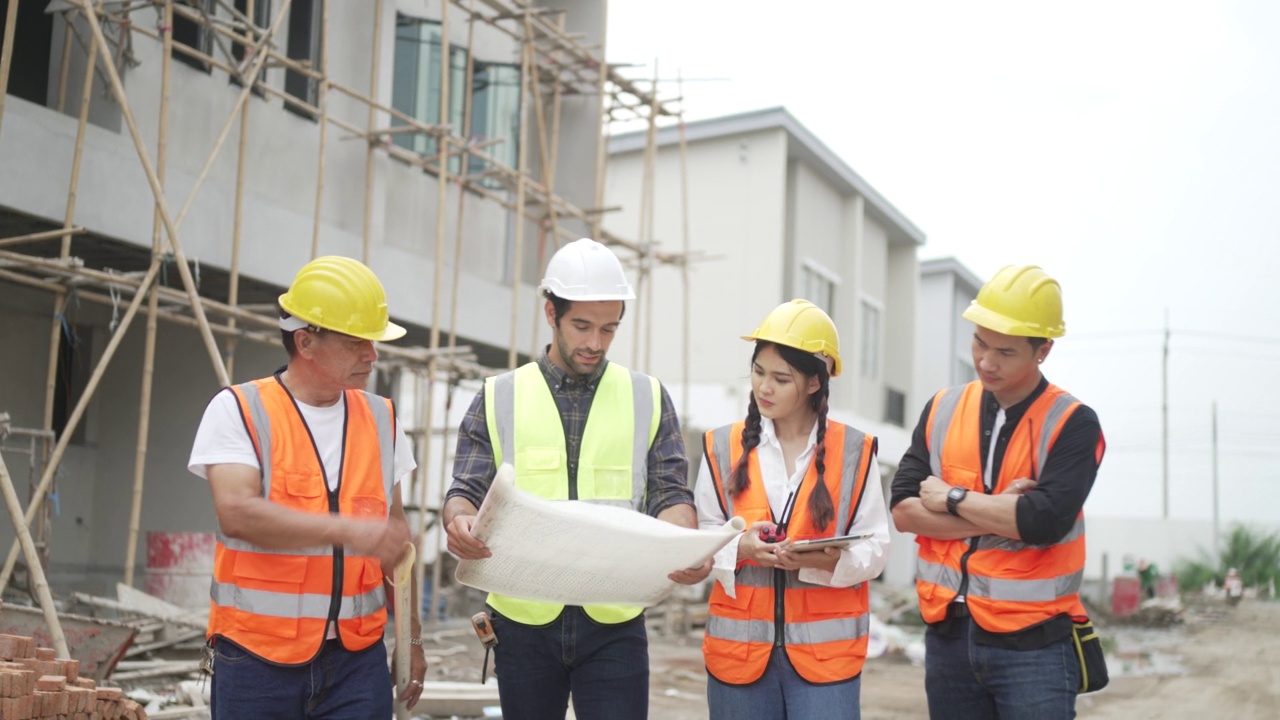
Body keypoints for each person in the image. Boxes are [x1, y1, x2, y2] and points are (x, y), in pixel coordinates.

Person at [443, 238, 710, 720]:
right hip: (523, 619)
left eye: (609, 329)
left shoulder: (646, 396)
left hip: (614, 617)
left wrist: (685, 543)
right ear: (551, 313)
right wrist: (459, 522)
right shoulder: (499, 395)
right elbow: (466, 489)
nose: (595, 343)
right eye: (582, 326)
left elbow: (669, 491)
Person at [189, 256, 427, 718]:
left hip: (357, 662)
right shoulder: (239, 409)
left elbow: (395, 538)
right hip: (257, 658)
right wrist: (345, 529)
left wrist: (411, 636)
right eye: (357, 342)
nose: (372, 356)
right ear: (306, 341)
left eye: (373, 343)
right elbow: (237, 512)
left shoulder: (383, 419)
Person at [890, 265, 1105, 720]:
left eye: (1005, 351)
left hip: (1035, 644)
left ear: (1043, 349)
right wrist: (1003, 510)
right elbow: (905, 510)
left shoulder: (1073, 424)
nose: (986, 361)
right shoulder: (943, 408)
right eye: (979, 343)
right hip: (947, 636)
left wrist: (950, 497)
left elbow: (1042, 522)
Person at [696, 300, 889, 720]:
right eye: (758, 372)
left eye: (781, 379)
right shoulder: (721, 447)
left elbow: (877, 548)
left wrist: (828, 562)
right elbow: (700, 540)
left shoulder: (855, 451)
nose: (764, 387)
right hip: (740, 656)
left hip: (825, 663)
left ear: (815, 384)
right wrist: (742, 548)